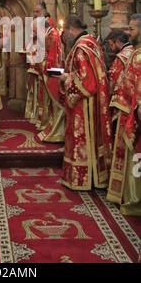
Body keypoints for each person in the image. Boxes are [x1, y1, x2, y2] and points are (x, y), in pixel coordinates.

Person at [60, 15, 112, 191]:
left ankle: (84, 178)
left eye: (65, 31)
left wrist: (66, 79)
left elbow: (87, 81)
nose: (65, 34)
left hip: (85, 105)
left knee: (82, 139)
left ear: (71, 28)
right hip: (94, 102)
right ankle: (95, 176)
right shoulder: (92, 42)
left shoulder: (81, 48)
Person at [107, 14, 141, 215]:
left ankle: (133, 199)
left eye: (133, 29)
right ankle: (127, 196)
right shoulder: (135, 53)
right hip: (126, 109)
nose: (129, 32)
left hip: (131, 112)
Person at [37, 20, 65, 142]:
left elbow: (52, 58)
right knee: (52, 104)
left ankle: (57, 132)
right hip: (55, 70)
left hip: (54, 72)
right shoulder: (52, 34)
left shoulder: (52, 36)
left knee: (55, 102)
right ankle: (54, 128)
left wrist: (43, 65)